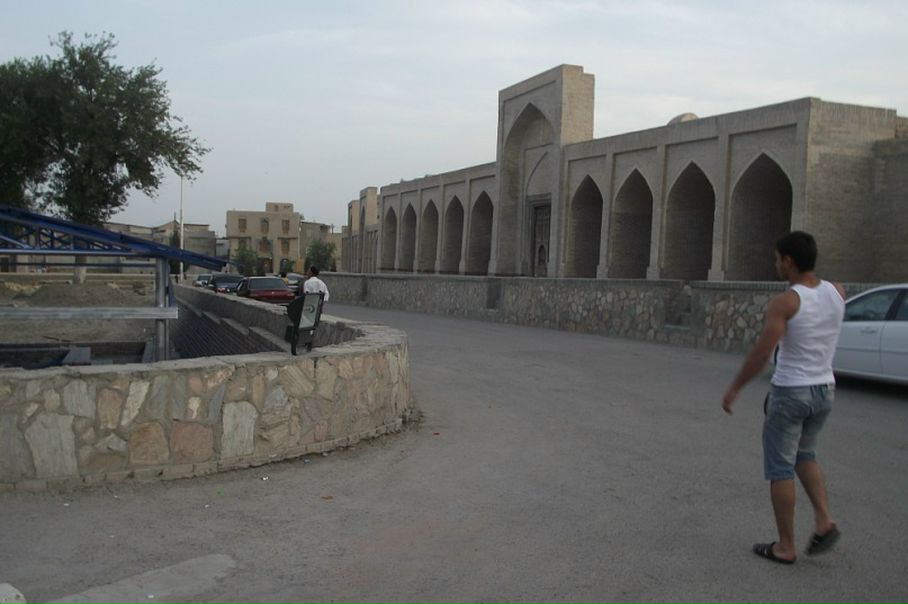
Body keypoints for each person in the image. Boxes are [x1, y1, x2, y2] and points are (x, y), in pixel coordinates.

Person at [722, 231, 845, 565]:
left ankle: (785, 546)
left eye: (777, 259)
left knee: (780, 467)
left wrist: (735, 388)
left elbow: (763, 353)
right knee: (805, 454)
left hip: (791, 392)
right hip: (824, 390)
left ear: (788, 261)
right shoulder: (837, 292)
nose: (776, 264)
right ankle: (824, 520)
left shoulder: (787, 302)